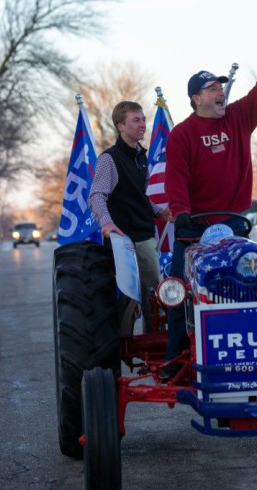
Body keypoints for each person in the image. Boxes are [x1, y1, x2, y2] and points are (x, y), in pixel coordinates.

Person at [161, 25, 257, 378]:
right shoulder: (182, 135)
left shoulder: (239, 118)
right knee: (178, 293)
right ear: (196, 98)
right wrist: (181, 215)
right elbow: (174, 180)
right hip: (194, 232)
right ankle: (173, 360)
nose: (220, 91)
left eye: (221, 86)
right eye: (212, 88)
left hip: (236, 228)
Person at [88, 101, 172, 333]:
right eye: (136, 120)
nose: (143, 124)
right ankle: (120, 347)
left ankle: (155, 343)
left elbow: (139, 196)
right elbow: (96, 195)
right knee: (127, 300)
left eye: (144, 119)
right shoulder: (110, 159)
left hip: (144, 234)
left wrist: (159, 212)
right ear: (120, 126)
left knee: (156, 296)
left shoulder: (140, 158)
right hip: (122, 240)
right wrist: (106, 222)